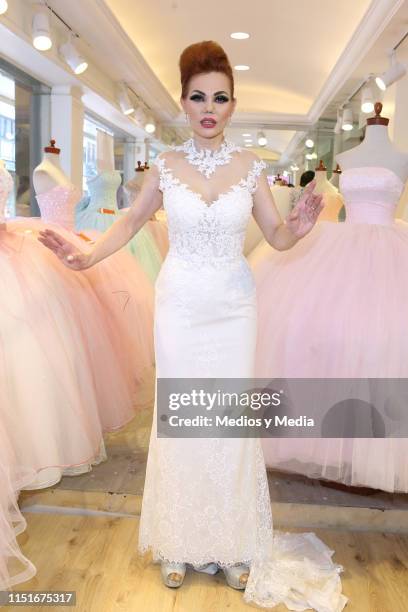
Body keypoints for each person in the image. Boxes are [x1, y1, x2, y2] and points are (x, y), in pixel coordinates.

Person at [38, 41, 347, 611]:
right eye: (199, 96)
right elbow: (130, 222)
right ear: (183, 103)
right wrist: (86, 256)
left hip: (233, 307)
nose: (209, 107)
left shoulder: (252, 168)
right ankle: (178, 540)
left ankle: (231, 545)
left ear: (233, 105)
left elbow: (276, 237)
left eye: (221, 97)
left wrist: (298, 228)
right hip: (180, 306)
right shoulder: (165, 166)